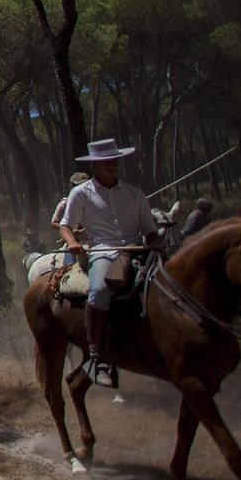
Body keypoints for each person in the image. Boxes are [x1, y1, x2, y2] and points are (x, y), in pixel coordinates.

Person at [58, 139, 161, 388]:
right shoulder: (80, 194)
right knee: (101, 290)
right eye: (105, 162)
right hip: (104, 251)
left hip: (138, 249)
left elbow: (149, 230)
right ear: (95, 165)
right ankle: (98, 356)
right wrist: (72, 242)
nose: (111, 165)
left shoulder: (134, 194)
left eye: (114, 160)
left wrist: (155, 240)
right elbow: (65, 225)